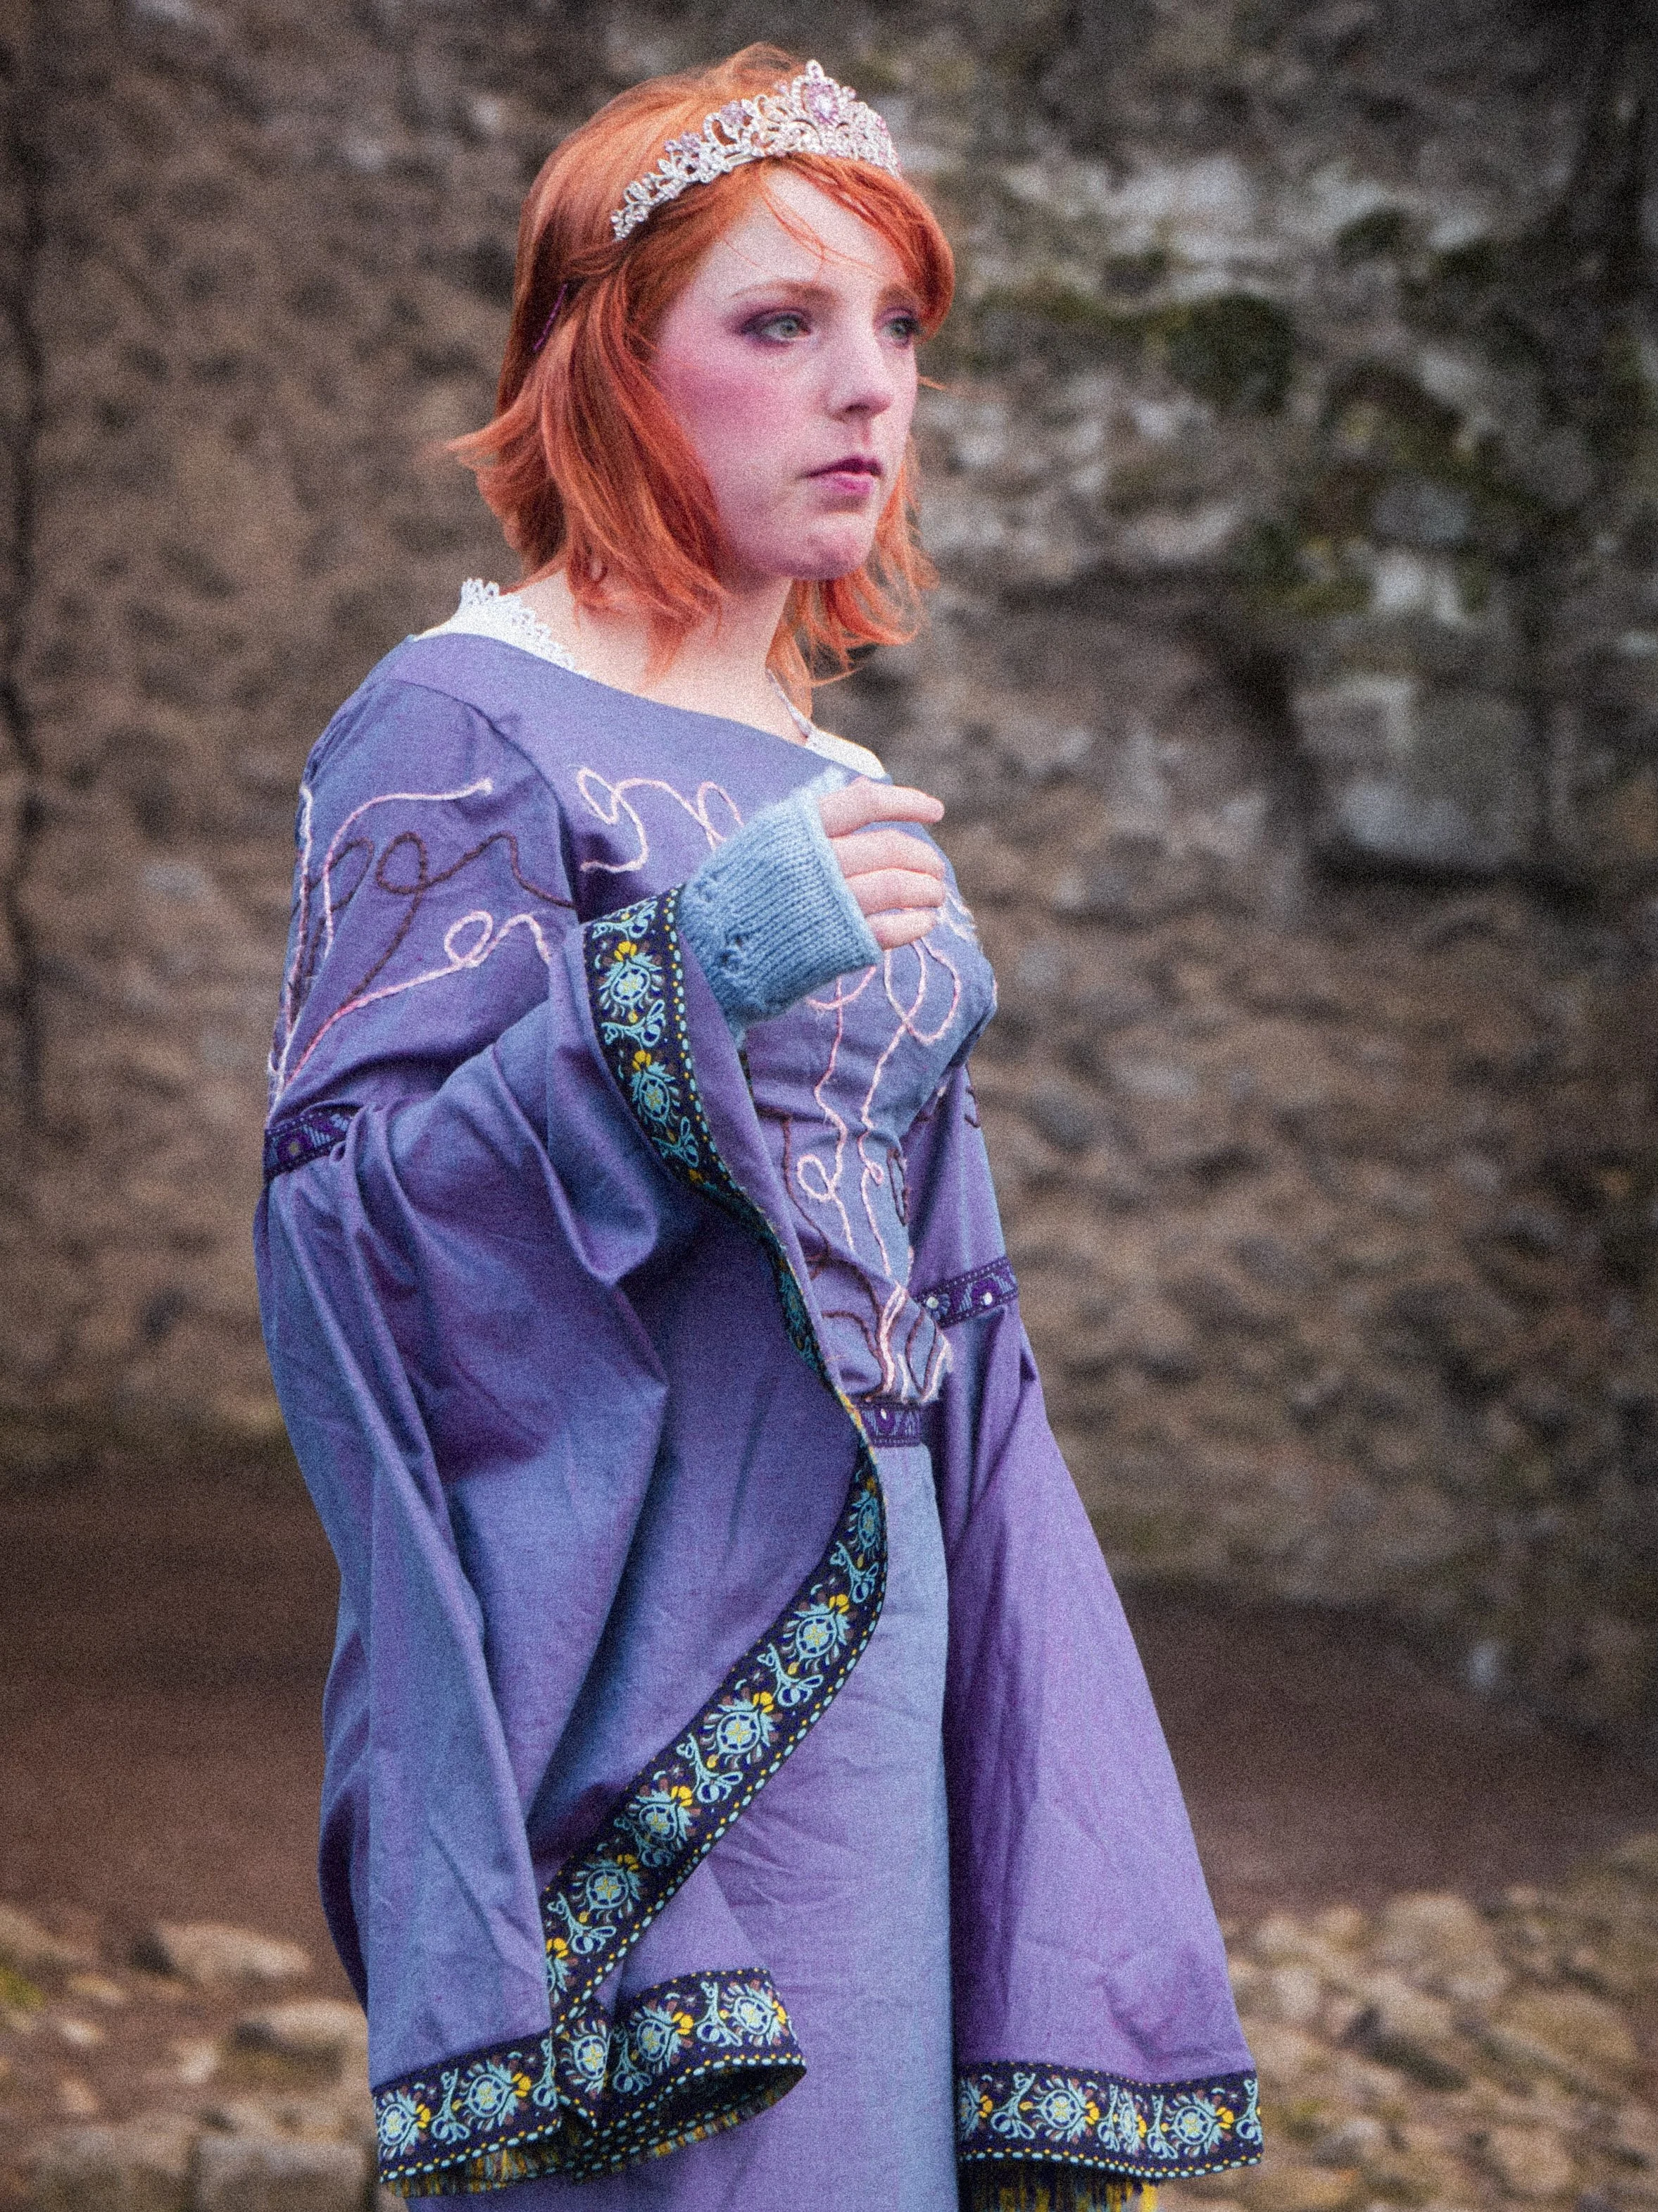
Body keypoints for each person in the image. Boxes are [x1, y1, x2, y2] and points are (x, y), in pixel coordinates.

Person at [255, 46, 1259, 2212]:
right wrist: (680, 985)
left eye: (896, 328)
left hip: (885, 1650)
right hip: (642, 1668)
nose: (867, 391)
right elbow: (351, 1242)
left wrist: (1037, 1759)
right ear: (610, 366)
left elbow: (947, 1303)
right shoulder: (449, 725)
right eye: (780, 324)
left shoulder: (826, 768)